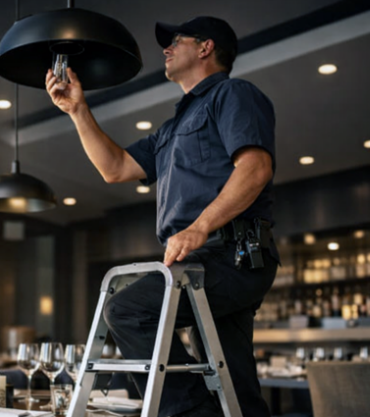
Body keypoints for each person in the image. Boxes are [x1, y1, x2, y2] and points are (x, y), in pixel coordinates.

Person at [46, 15, 279, 417]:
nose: (166, 48)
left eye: (176, 40)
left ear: (206, 47)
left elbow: (255, 169)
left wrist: (199, 227)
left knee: (126, 309)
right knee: (235, 387)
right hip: (201, 260)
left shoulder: (233, 94)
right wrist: (77, 110)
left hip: (232, 254)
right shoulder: (171, 128)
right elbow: (115, 167)